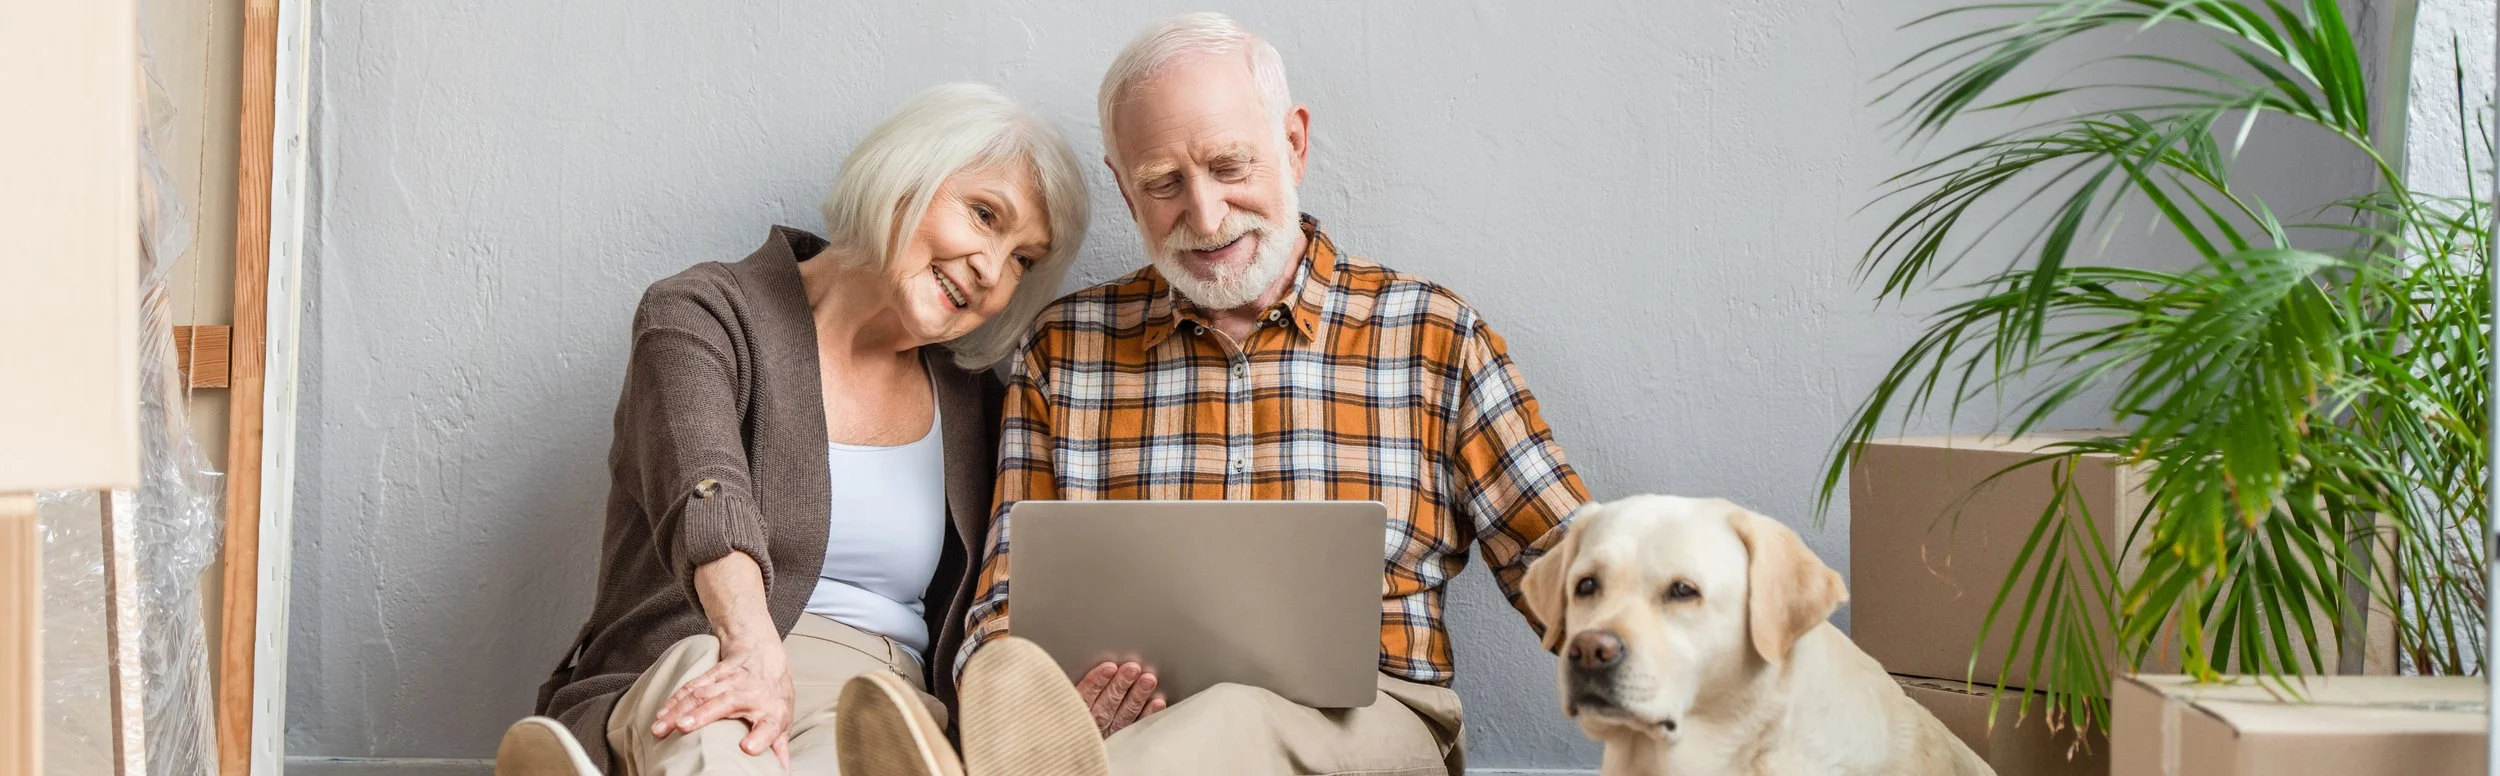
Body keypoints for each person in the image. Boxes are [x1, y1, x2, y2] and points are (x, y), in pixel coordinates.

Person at [960, 13, 1591, 776]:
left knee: (1234, 713)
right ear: (1126, 193)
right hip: (1126, 734)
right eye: (1163, 184)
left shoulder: (1431, 335)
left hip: (1374, 717)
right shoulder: (1064, 348)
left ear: (1293, 144)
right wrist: (1041, 699)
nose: (1205, 214)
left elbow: (1573, 567)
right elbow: (1003, 605)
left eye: (1229, 166)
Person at [491, 81, 1090, 776]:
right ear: (904, 176)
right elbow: (704, 490)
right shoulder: (704, 314)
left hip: (878, 704)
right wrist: (749, 646)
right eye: (985, 215)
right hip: (702, 655)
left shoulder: (974, 402)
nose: (991, 270)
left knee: (856, 747)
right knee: (721, 720)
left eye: (1024, 259)